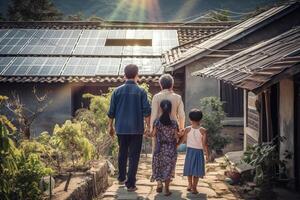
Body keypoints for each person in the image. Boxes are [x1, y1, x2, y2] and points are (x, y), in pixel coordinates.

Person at [107, 64, 151, 192]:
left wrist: (110, 126)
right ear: (137, 75)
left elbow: (111, 112)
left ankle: (121, 177)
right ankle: (130, 184)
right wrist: (148, 126)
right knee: (134, 156)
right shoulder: (141, 91)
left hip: (121, 128)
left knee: (122, 152)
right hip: (137, 128)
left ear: (124, 75)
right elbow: (146, 111)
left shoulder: (117, 91)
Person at [150, 74, 185, 192]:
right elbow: (182, 116)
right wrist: (181, 130)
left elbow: (154, 115)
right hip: (172, 131)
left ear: (160, 85)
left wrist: (151, 130)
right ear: (172, 84)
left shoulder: (156, 97)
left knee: (157, 157)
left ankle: (159, 181)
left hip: (158, 132)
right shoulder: (177, 97)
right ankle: (167, 181)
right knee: (170, 158)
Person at [150, 100, 179, 196]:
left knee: (158, 165)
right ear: (171, 110)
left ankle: (159, 183)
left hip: (159, 148)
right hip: (170, 149)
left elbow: (153, 134)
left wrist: (148, 134)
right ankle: (166, 189)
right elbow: (176, 137)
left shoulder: (157, 122)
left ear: (161, 109)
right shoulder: (174, 123)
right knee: (168, 168)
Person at [180, 109, 209, 194]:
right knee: (197, 170)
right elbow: (204, 144)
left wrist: (177, 145)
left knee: (189, 169)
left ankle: (189, 185)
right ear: (200, 119)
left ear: (190, 119)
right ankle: (194, 188)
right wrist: (207, 154)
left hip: (189, 152)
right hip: (199, 152)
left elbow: (183, 140)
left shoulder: (187, 129)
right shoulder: (203, 130)